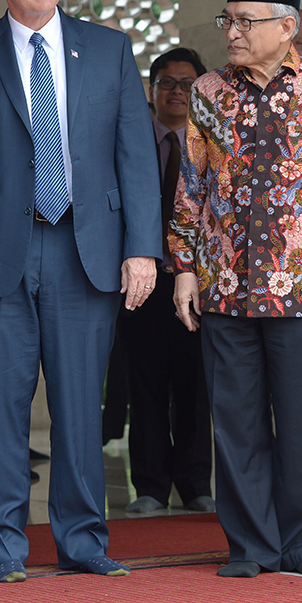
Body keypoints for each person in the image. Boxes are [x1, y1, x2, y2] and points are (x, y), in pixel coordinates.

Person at [0, 0, 161, 583]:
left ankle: (84, 541)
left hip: (85, 253)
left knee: (77, 409)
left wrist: (143, 251)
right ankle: (4, 547)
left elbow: (137, 159)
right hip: (2, 256)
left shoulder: (109, 49)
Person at [170, 0, 302, 579]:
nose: (232, 32)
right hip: (226, 285)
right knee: (236, 426)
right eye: (227, 20)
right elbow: (192, 185)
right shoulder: (208, 92)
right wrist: (184, 268)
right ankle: (252, 547)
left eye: (245, 21)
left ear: (287, 27)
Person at [120, 48, 214, 515]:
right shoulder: (131, 139)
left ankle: (197, 484)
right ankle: (151, 487)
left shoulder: (213, 144)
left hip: (198, 281)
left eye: (187, 84)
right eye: (167, 83)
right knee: (147, 384)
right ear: (152, 90)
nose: (177, 91)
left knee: (197, 385)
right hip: (142, 282)